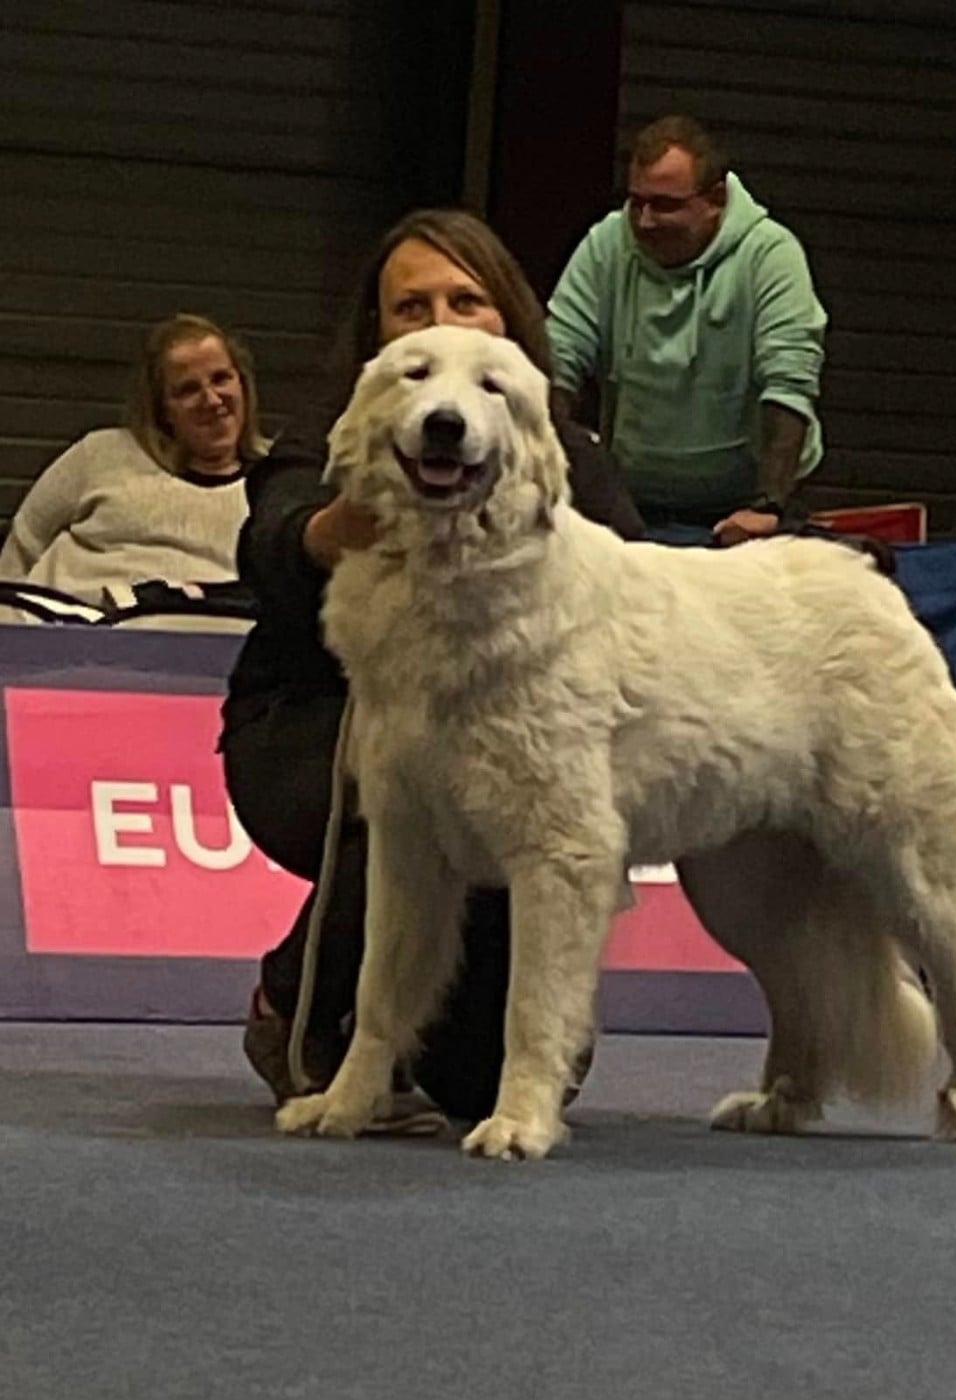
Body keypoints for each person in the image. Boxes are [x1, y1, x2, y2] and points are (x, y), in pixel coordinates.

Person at [220, 209, 643, 1120]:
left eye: (466, 299)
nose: (439, 320)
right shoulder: (336, 435)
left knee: (473, 1081)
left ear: (510, 321)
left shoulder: (563, 456)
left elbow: (631, 598)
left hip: (505, 745)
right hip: (310, 726)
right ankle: (301, 1004)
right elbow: (272, 534)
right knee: (404, 781)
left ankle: (497, 1043)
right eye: (410, 307)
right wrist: (329, 531)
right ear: (376, 336)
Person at [547, 114, 828, 548]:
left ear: (715, 198)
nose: (644, 222)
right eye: (636, 202)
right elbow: (558, 360)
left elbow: (789, 385)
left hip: (746, 508)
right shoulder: (606, 244)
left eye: (664, 205)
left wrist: (768, 505)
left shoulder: (770, 254)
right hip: (631, 503)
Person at [0, 313, 266, 606]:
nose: (212, 400)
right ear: (162, 409)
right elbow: (20, 551)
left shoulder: (279, 481)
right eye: (188, 390)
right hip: (79, 637)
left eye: (221, 379)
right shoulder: (100, 454)